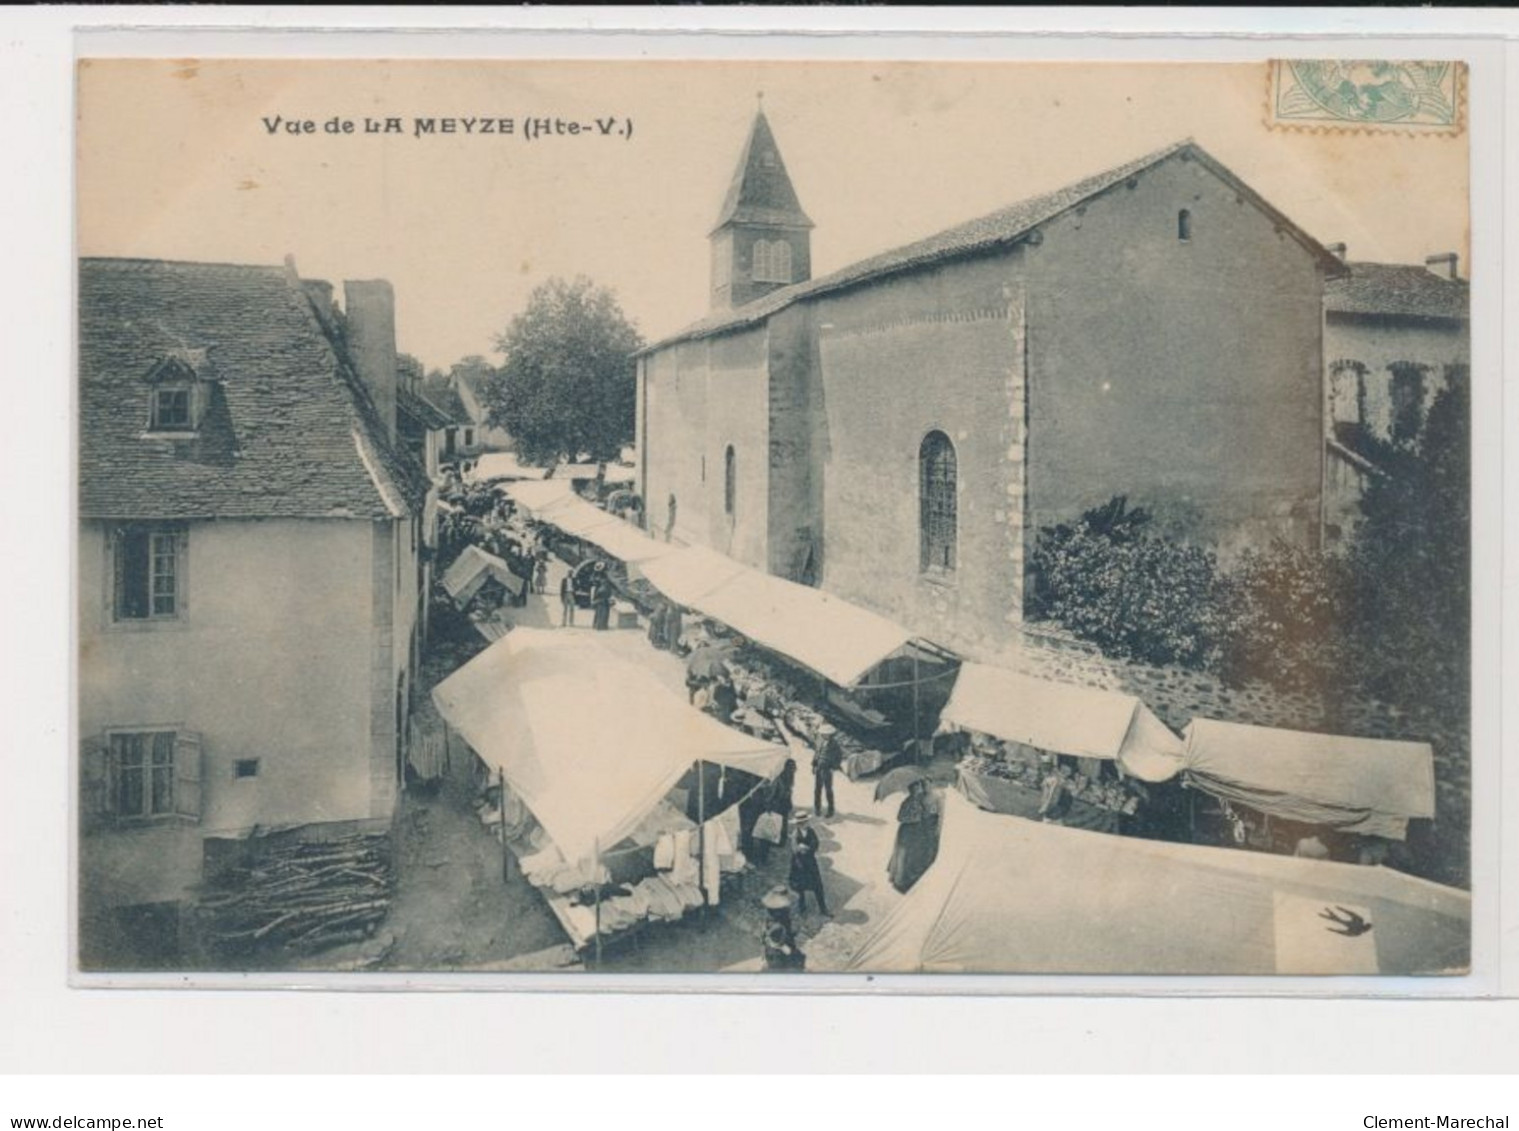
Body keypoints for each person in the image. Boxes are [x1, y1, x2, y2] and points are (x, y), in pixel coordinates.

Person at [887, 779, 942, 894]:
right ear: (912, 790)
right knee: (904, 856)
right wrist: (914, 818)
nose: (919, 790)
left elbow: (924, 812)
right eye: (916, 789)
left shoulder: (919, 800)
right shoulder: (907, 801)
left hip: (916, 831)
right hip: (906, 832)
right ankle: (901, 882)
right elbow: (900, 818)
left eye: (920, 788)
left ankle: (910, 879)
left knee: (912, 856)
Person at [788, 812, 829, 917]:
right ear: (798, 824)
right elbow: (794, 849)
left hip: (810, 862)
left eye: (805, 822)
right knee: (800, 886)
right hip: (799, 864)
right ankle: (802, 907)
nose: (805, 824)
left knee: (817, 885)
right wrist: (799, 848)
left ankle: (823, 909)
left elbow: (816, 843)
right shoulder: (795, 834)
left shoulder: (811, 831)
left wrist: (807, 848)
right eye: (802, 823)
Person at [760, 886, 805, 972]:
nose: (789, 909)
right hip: (778, 955)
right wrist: (789, 951)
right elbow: (776, 944)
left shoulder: (773, 919)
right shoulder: (777, 926)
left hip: (775, 950)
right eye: (786, 908)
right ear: (779, 912)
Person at [811, 724, 842, 819]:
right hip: (819, 768)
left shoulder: (834, 744)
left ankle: (831, 810)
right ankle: (817, 808)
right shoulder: (821, 742)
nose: (823, 735)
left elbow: (839, 757)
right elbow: (817, 754)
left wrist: (834, 767)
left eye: (825, 734)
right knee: (817, 789)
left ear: (830, 734)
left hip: (827, 769)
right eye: (823, 734)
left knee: (828, 790)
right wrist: (814, 765)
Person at [590, 565, 613, 630]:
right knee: (601, 613)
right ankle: (600, 626)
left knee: (603, 613)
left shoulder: (605, 578)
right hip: (601, 598)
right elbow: (593, 580)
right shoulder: (599, 578)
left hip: (604, 597)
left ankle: (601, 625)